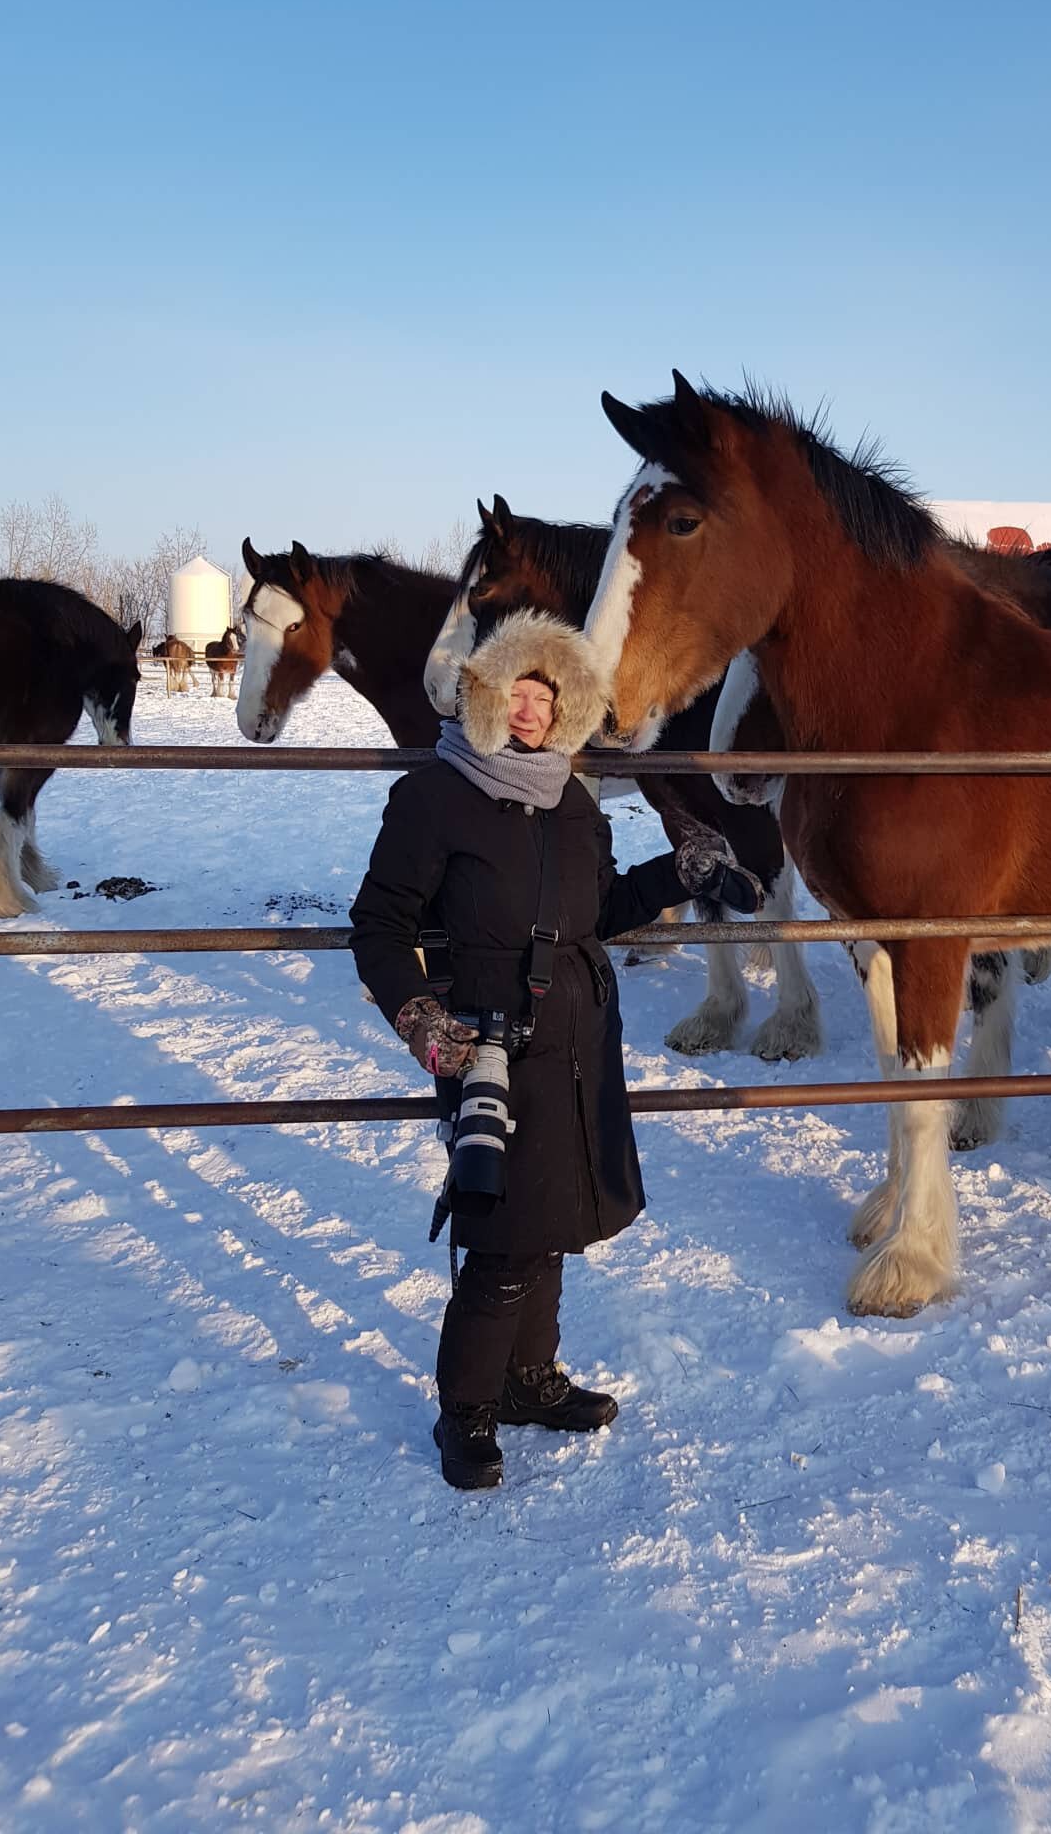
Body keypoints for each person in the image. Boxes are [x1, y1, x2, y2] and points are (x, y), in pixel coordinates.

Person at [349, 609, 763, 1491]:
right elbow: (380, 926)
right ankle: (466, 1407)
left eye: (551, 691)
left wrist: (674, 874)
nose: (532, 707)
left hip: (580, 1034)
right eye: (517, 688)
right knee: (503, 1234)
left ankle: (530, 1381)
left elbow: (598, 910)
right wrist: (421, 1019)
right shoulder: (433, 795)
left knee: (556, 1221)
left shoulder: (571, 798)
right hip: (488, 1039)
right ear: (486, 693)